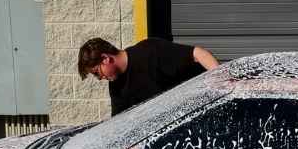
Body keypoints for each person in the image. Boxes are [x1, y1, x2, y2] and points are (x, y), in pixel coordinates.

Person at [77, 36, 219, 115]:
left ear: (105, 59)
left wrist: (221, 80)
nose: (100, 78)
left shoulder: (150, 51)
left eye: (97, 73)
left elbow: (198, 54)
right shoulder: (117, 88)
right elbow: (119, 126)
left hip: (207, 107)